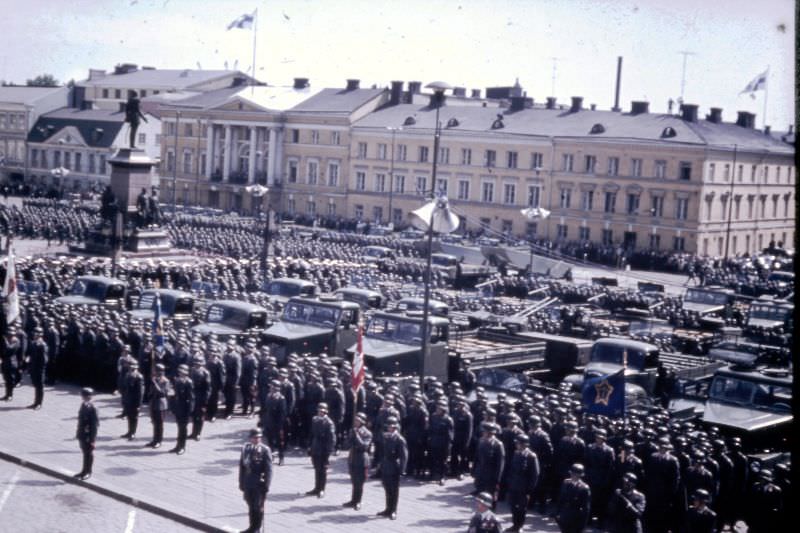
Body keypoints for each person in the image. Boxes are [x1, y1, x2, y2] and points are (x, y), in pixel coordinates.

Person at [239, 428, 273, 533]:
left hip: (259, 484)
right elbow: (242, 467)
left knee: (257, 507)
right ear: (250, 438)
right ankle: (251, 527)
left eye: (259, 437)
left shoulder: (265, 450)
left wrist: (266, 485)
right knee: (250, 505)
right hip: (248, 482)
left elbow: (269, 470)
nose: (257, 439)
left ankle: (257, 529)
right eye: (255, 437)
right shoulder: (246, 448)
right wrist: (241, 482)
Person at [506, 433, 540, 532]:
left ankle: (519, 526)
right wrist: (509, 482)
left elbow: (535, 475)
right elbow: (511, 470)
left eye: (519, 443)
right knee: (513, 506)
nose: (517, 445)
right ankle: (514, 524)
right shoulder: (516, 453)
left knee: (521, 508)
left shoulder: (531, 456)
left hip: (524, 488)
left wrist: (529, 490)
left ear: (525, 444)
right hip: (513, 485)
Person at [377, 416, 407, 520]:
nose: (389, 428)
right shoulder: (385, 437)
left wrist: (402, 470)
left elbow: (404, 456)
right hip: (386, 465)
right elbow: (382, 452)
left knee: (394, 490)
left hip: (394, 466)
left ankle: (393, 510)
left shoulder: (399, 439)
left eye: (391, 427)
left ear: (395, 428)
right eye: (388, 426)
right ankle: (387, 508)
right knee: (387, 488)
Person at [343, 411, 372, 511]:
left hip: (362, 460)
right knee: (354, 481)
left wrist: (357, 436)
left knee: (359, 482)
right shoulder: (353, 431)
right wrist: (351, 436)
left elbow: (364, 447)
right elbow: (346, 445)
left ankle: (358, 501)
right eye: (355, 420)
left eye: (358, 421)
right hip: (353, 458)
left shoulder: (367, 433)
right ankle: (353, 500)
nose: (356, 422)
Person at [306, 402, 335, 497]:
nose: (320, 413)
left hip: (323, 449)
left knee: (323, 470)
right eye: (319, 411)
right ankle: (316, 487)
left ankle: (322, 489)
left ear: (326, 412)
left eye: (322, 411)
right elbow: (311, 434)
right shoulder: (315, 420)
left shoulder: (329, 423)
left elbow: (331, 439)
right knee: (317, 468)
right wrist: (310, 447)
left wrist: (328, 452)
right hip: (315, 447)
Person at [556, 463, 591, 533]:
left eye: (576, 474)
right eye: (572, 474)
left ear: (580, 475)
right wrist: (557, 514)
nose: (574, 476)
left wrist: (582, 525)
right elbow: (560, 500)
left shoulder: (584, 488)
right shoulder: (566, 483)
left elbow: (586, 509)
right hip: (564, 516)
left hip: (576, 518)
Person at [75, 387, 99, 481]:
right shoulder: (83, 405)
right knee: (84, 452)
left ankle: (88, 471)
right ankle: (83, 470)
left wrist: (92, 439)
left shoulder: (92, 408)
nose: (85, 398)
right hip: (82, 433)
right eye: (84, 396)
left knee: (88, 453)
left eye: (87, 396)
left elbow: (94, 425)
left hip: (88, 435)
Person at [171, 363, 194, 455]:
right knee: (179, 427)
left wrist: (190, 410)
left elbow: (191, 397)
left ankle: (182, 446)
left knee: (183, 428)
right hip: (178, 407)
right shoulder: (177, 381)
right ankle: (178, 445)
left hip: (185, 407)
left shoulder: (188, 382)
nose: (180, 373)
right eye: (179, 372)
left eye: (182, 372)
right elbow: (174, 395)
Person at [147, 363, 170, 448]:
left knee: (159, 424)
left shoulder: (165, 381)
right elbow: (151, 391)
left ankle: (159, 440)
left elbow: (162, 392)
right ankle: (154, 439)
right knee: (154, 422)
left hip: (161, 404)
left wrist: (155, 383)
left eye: (157, 371)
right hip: (153, 402)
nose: (156, 372)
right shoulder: (155, 379)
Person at [189, 355, 211, 440]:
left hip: (201, 397)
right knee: (194, 416)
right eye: (196, 363)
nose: (197, 364)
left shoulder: (205, 373)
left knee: (200, 416)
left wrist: (205, 400)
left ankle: (198, 433)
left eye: (199, 363)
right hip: (193, 396)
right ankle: (193, 432)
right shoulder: (192, 370)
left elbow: (208, 388)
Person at [120, 360, 144, 440]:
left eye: (133, 367)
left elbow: (140, 392)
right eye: (130, 367)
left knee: (134, 417)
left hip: (134, 401)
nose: (131, 368)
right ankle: (129, 431)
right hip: (128, 399)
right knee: (129, 416)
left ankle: (133, 432)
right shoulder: (127, 374)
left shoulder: (139, 377)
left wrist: (139, 405)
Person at [26, 327, 48, 409]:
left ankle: (39, 403)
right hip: (33, 367)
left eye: (37, 333)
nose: (35, 334)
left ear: (40, 335)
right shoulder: (33, 343)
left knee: (40, 386)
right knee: (36, 385)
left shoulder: (43, 345)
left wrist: (40, 369)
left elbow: (44, 359)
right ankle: (35, 402)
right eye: (35, 333)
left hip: (39, 369)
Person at [1, 326, 20, 401]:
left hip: (12, 362)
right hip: (5, 362)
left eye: (10, 333)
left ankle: (10, 395)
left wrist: (5, 341)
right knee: (6, 379)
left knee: (10, 380)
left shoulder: (16, 341)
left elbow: (9, 349)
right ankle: (7, 394)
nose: (9, 334)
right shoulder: (7, 340)